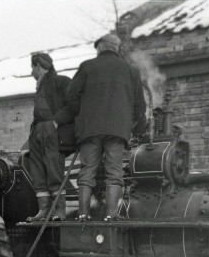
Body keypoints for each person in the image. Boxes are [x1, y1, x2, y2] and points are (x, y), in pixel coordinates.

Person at [58, 33, 146, 221]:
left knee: (87, 171)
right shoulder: (131, 71)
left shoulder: (87, 67)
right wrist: (138, 130)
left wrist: (80, 114)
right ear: (116, 48)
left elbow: (71, 95)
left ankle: (82, 214)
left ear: (100, 48)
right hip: (117, 130)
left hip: (90, 130)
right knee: (115, 172)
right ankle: (111, 214)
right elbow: (140, 105)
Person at [25, 52, 71, 222]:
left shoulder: (61, 82)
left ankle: (59, 211)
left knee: (53, 170)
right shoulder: (40, 85)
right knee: (38, 171)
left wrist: (56, 122)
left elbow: (73, 105)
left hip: (51, 130)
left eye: (32, 67)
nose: (31, 72)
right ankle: (43, 210)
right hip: (37, 131)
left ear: (37, 66)